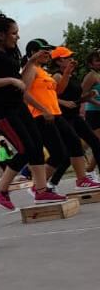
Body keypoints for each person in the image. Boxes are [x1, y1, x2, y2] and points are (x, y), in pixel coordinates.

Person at [0, 15, 64, 210]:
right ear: (0, 35)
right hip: (2, 111)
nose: (17, 37)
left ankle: (41, 191)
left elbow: (22, 83)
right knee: (25, 148)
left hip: (18, 106)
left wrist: (31, 62)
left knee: (36, 145)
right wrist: (9, 80)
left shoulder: (11, 52)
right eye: (14, 33)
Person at [22, 39, 99, 191]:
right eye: (44, 50)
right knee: (60, 154)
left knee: (75, 145)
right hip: (43, 116)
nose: (48, 53)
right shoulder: (31, 69)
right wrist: (43, 110)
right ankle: (39, 186)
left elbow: (58, 91)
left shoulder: (44, 71)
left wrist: (67, 73)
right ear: (33, 53)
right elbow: (23, 92)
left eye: (49, 50)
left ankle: (82, 179)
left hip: (55, 114)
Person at [53, 46, 100, 187]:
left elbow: (77, 99)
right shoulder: (57, 76)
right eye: (67, 58)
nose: (71, 60)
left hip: (75, 116)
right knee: (69, 154)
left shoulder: (73, 76)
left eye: (71, 57)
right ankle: (51, 184)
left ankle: (84, 177)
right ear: (58, 62)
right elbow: (51, 97)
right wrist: (63, 102)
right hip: (63, 118)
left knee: (96, 143)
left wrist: (88, 96)